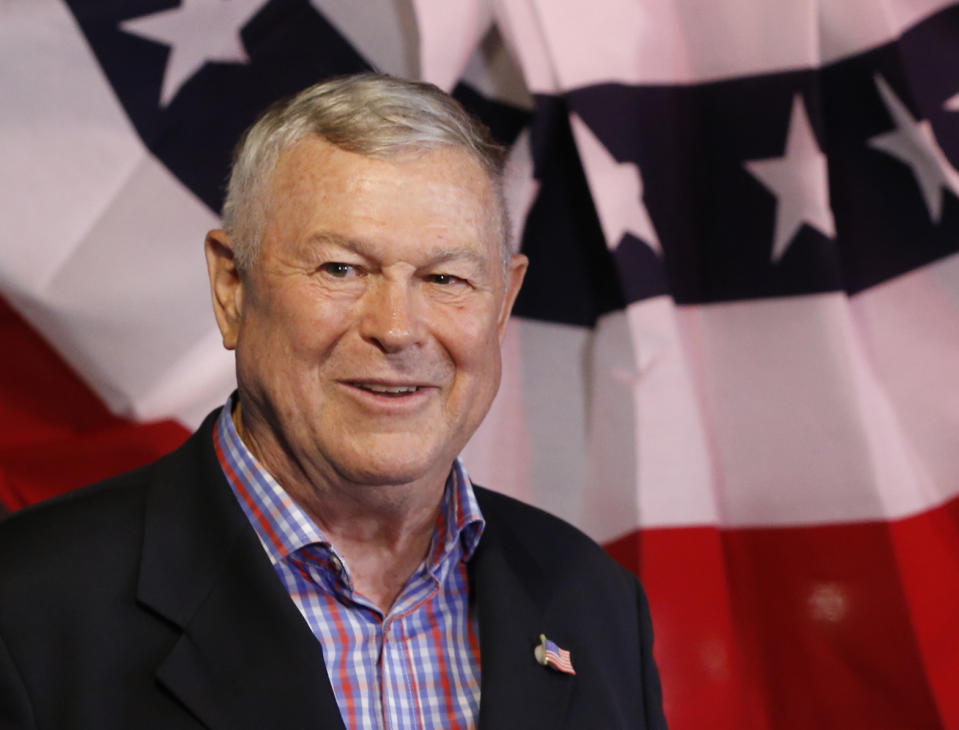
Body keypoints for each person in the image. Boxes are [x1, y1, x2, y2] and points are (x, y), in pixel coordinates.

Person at [0, 74, 667, 729]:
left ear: (501, 306)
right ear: (232, 286)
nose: (397, 328)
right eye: (341, 269)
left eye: (446, 277)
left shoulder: (591, 600)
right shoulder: (26, 604)